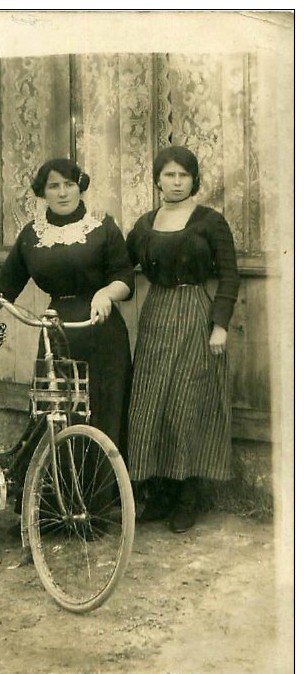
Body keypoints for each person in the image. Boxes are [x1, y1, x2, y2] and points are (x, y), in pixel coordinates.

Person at [0, 157, 135, 521]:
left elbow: (125, 279)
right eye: (54, 186)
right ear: (43, 192)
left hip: (102, 334)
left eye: (69, 184)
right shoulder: (31, 235)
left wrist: (105, 294)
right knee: (56, 416)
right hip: (55, 332)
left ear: (80, 186)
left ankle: (97, 507)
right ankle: (55, 507)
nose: (63, 192)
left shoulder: (102, 226)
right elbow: (5, 288)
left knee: (103, 411)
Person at [126, 146, 240, 533]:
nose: (176, 182)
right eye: (169, 175)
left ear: (194, 180)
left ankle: (187, 495)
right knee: (150, 401)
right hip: (156, 314)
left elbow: (229, 276)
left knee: (187, 403)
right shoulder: (144, 225)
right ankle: (158, 492)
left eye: (183, 176)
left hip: (195, 313)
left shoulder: (210, 221)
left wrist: (220, 325)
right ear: (157, 179)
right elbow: (120, 268)